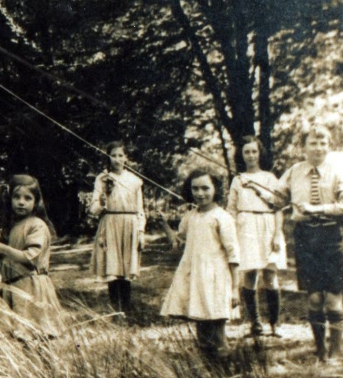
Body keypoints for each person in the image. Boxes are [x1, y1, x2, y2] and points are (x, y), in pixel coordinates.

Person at [273, 126, 343, 362]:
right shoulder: (294, 171)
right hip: (305, 239)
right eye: (313, 143)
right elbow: (278, 198)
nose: (318, 148)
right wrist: (259, 193)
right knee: (314, 298)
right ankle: (320, 350)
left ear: (329, 146)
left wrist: (317, 209)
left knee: (334, 298)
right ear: (303, 147)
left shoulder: (339, 172)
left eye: (323, 143)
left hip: (331, 236)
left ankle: (336, 350)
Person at [160, 170, 240, 359]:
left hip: (215, 278)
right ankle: (207, 367)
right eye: (195, 188)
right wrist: (164, 224)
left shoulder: (222, 217)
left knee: (216, 327)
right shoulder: (190, 216)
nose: (200, 193)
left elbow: (234, 255)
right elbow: (177, 242)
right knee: (202, 328)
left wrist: (235, 288)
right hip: (196, 277)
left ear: (216, 189)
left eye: (205, 188)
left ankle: (225, 368)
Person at [0, 175, 63, 338]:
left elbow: (30, 257)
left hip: (31, 288)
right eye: (16, 197)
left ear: (36, 202)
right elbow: (10, 259)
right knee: (17, 336)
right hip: (14, 288)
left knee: (34, 335)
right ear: (10, 199)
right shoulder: (13, 226)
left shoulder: (36, 225)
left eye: (28, 198)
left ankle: (44, 363)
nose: (21, 202)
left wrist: (4, 249)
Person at [227, 136, 286, 337]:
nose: (251, 156)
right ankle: (255, 324)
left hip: (268, 225)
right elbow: (232, 210)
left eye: (254, 151)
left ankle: (275, 324)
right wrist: (232, 235)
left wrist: (277, 234)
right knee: (249, 274)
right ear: (241, 155)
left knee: (270, 274)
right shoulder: (237, 179)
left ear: (260, 153)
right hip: (246, 227)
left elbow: (279, 207)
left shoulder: (270, 178)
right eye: (246, 152)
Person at [89, 141, 145, 314]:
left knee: (126, 268)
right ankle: (115, 309)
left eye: (121, 155)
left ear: (126, 158)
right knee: (113, 267)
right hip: (110, 223)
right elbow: (93, 208)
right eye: (113, 155)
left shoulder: (134, 181)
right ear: (108, 157)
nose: (117, 159)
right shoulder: (102, 179)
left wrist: (141, 231)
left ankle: (127, 308)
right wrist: (102, 205)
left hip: (129, 224)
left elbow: (140, 210)